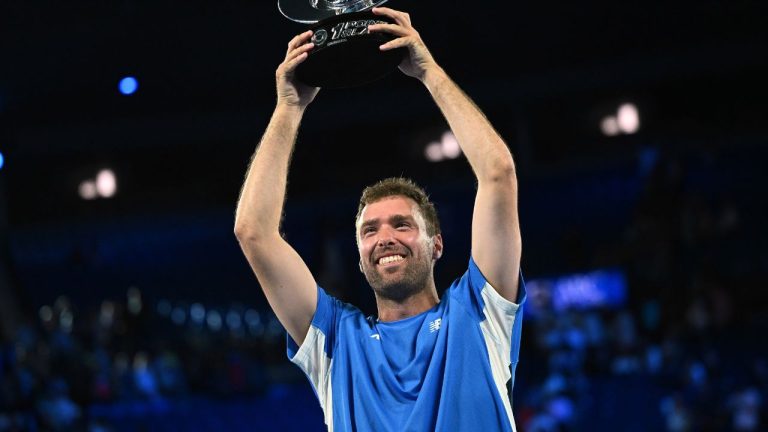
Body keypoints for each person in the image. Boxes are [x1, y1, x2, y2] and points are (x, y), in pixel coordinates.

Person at [234, 7, 525, 431]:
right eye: (370, 231)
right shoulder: (335, 340)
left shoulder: (481, 313)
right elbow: (253, 232)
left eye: (402, 225)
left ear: (437, 244)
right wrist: (289, 107)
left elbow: (498, 175)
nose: (385, 237)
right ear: (359, 256)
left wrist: (428, 72)